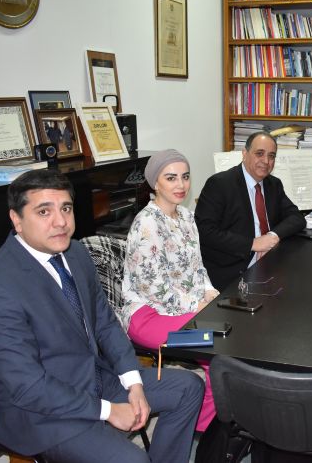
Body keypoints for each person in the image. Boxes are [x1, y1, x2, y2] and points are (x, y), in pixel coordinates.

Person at [0, 169, 204, 463]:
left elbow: (105, 323)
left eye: (66, 208)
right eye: (44, 211)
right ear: (17, 219)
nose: (61, 222)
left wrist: (133, 382)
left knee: (189, 387)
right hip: (43, 413)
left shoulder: (75, 253)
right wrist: (108, 410)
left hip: (95, 378)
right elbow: (28, 386)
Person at [120, 149, 219, 433]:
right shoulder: (146, 223)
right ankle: (201, 427)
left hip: (185, 309)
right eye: (171, 178)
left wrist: (210, 293)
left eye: (185, 177)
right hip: (148, 315)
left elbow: (198, 266)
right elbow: (152, 286)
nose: (181, 185)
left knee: (226, 333)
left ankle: (210, 420)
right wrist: (196, 307)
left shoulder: (187, 217)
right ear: (155, 183)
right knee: (215, 344)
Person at [195, 131, 306, 290]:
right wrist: (252, 244)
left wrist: (272, 236)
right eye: (259, 153)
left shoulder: (273, 184)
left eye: (271, 156)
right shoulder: (219, 184)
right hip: (233, 271)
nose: (266, 161)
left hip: (269, 262)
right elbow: (205, 232)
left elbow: (296, 217)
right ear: (244, 153)